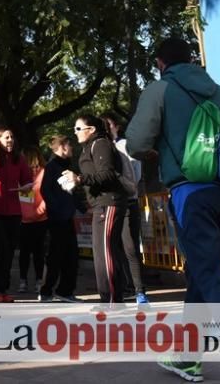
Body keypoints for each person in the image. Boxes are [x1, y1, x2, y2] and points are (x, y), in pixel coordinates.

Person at [126, 37, 220, 384]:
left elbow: (136, 143)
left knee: (212, 279)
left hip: (188, 192)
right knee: (201, 275)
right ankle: (188, 359)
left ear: (160, 62)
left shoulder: (159, 90)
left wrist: (161, 151)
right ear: (191, 58)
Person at [60, 114, 129, 311]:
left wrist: (80, 178)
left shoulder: (100, 144)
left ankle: (113, 301)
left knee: (106, 252)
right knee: (101, 252)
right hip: (101, 204)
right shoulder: (91, 146)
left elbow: (107, 174)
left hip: (109, 202)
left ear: (90, 129)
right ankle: (107, 299)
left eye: (78, 129)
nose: (75, 133)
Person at [101, 111, 148, 308]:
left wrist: (127, 189)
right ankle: (122, 287)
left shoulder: (124, 145)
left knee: (130, 248)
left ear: (116, 126)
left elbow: (135, 173)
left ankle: (140, 291)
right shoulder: (101, 147)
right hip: (109, 204)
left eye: (109, 125)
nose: (106, 128)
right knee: (113, 248)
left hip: (128, 202)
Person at [0, 127, 34, 303]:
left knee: (9, 250)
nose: (10, 140)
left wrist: (27, 186)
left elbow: (28, 180)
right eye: (6, 137)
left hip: (13, 211)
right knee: (1, 248)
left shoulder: (19, 158)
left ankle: (2, 289)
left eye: (12, 137)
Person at [38, 135, 83, 303]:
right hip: (58, 218)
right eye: (70, 146)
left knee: (70, 255)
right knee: (56, 255)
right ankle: (47, 291)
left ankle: (64, 290)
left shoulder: (64, 166)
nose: (72, 149)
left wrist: (82, 207)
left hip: (66, 216)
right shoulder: (52, 166)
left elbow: (69, 192)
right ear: (63, 147)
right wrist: (57, 209)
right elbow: (45, 190)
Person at [17, 146, 47, 294]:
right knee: (24, 252)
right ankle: (23, 280)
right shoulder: (20, 174)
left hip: (41, 219)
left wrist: (43, 206)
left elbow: (48, 192)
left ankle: (39, 280)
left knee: (38, 252)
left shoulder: (43, 173)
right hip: (23, 220)